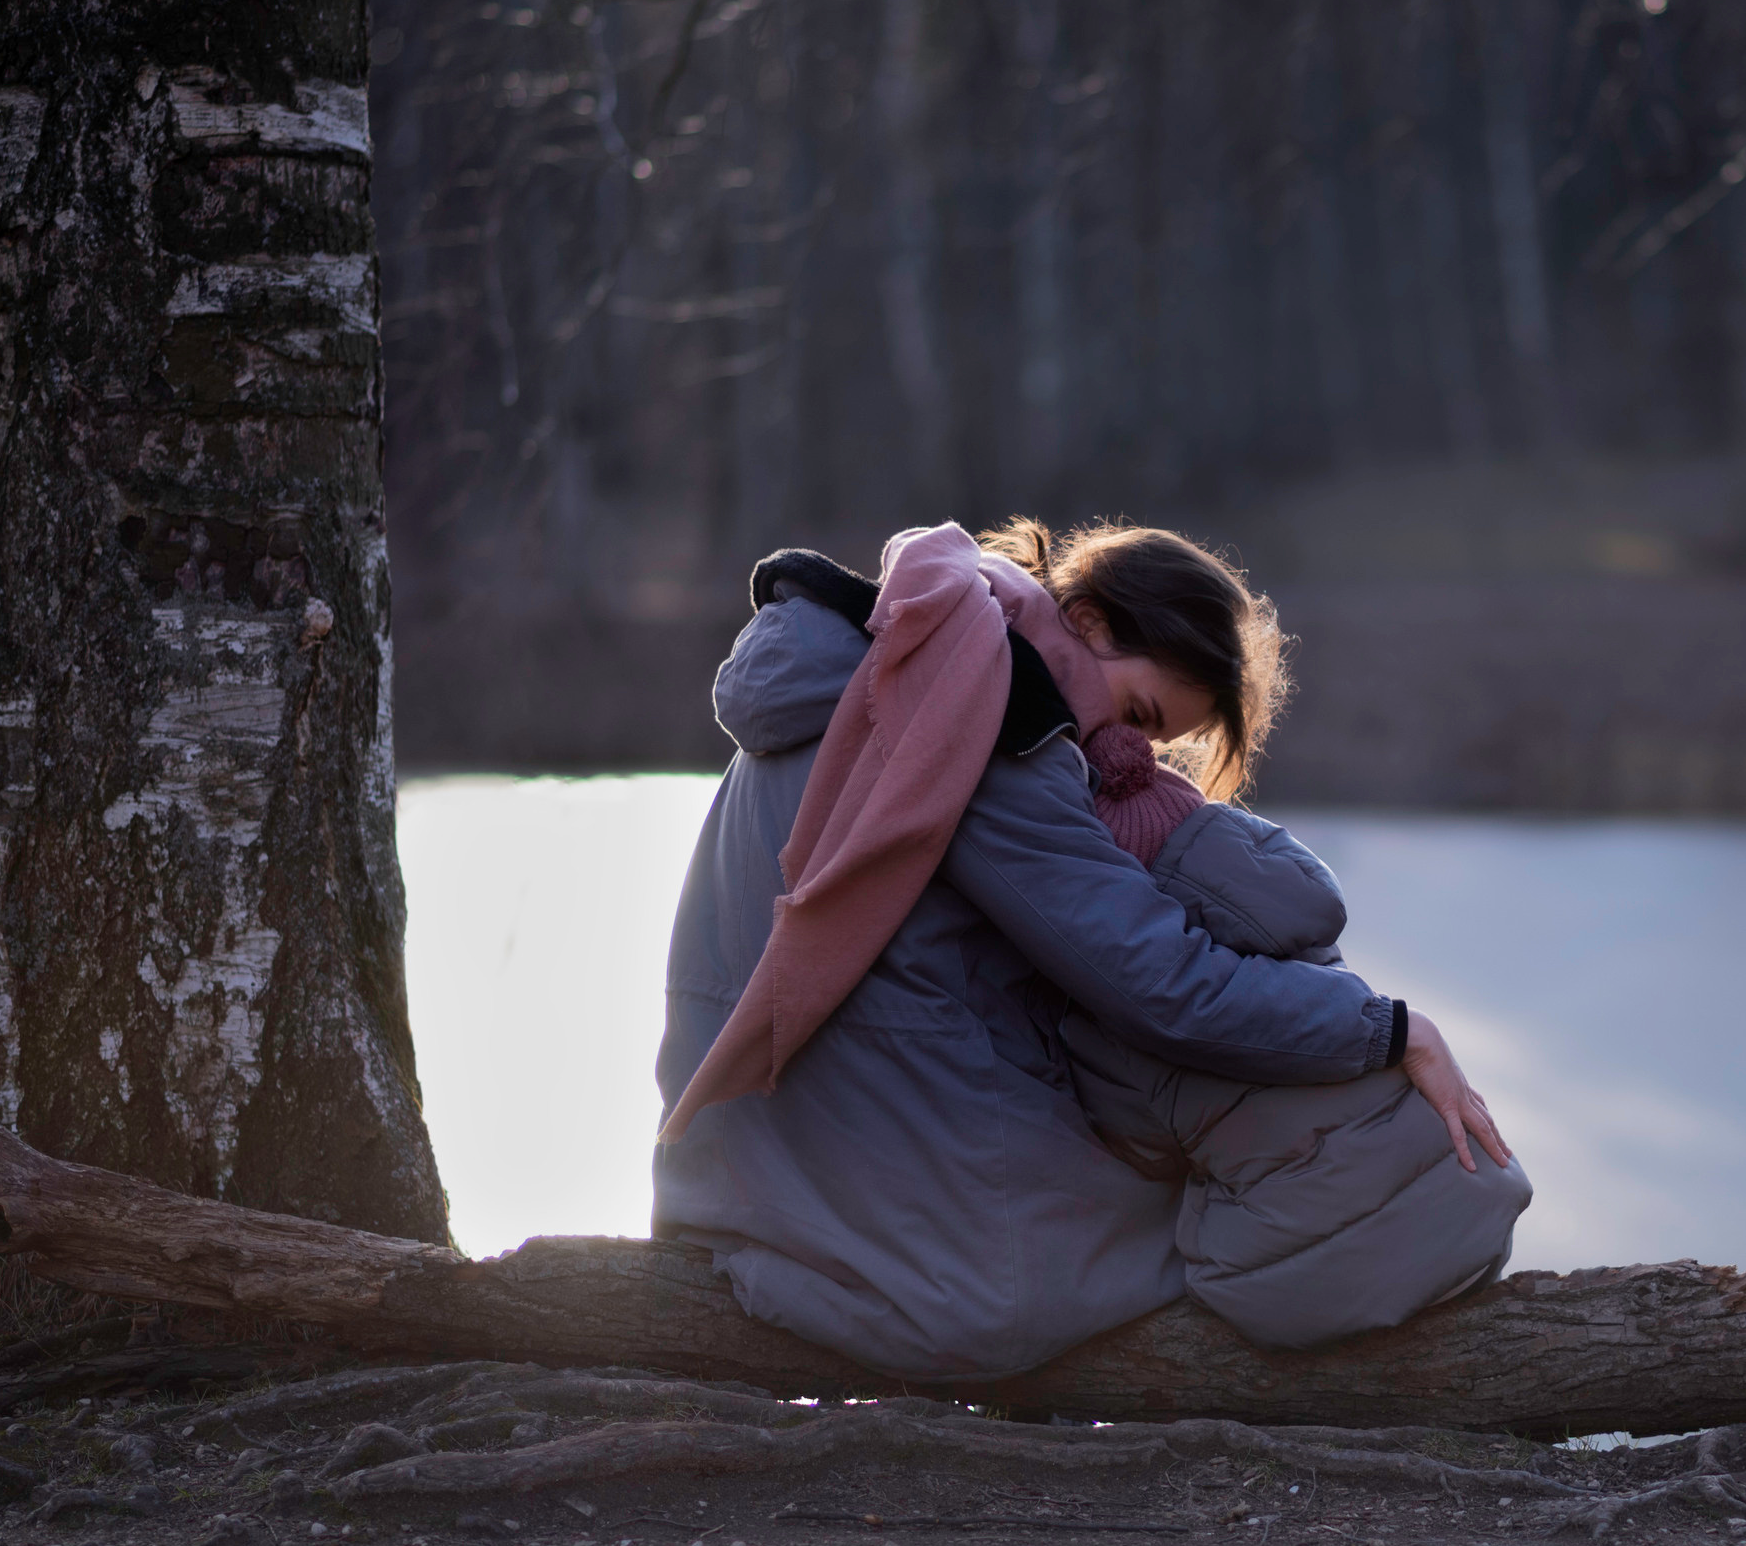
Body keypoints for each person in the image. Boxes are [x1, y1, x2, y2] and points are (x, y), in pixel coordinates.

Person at [651, 518, 1523, 1378]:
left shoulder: (886, 650)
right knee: (1359, 1170)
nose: (1128, 753)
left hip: (744, 1171)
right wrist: (1389, 1028)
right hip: (914, 1235)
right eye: (1141, 714)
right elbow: (1159, 982)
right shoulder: (993, 710)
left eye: (1154, 741)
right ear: (1095, 622)